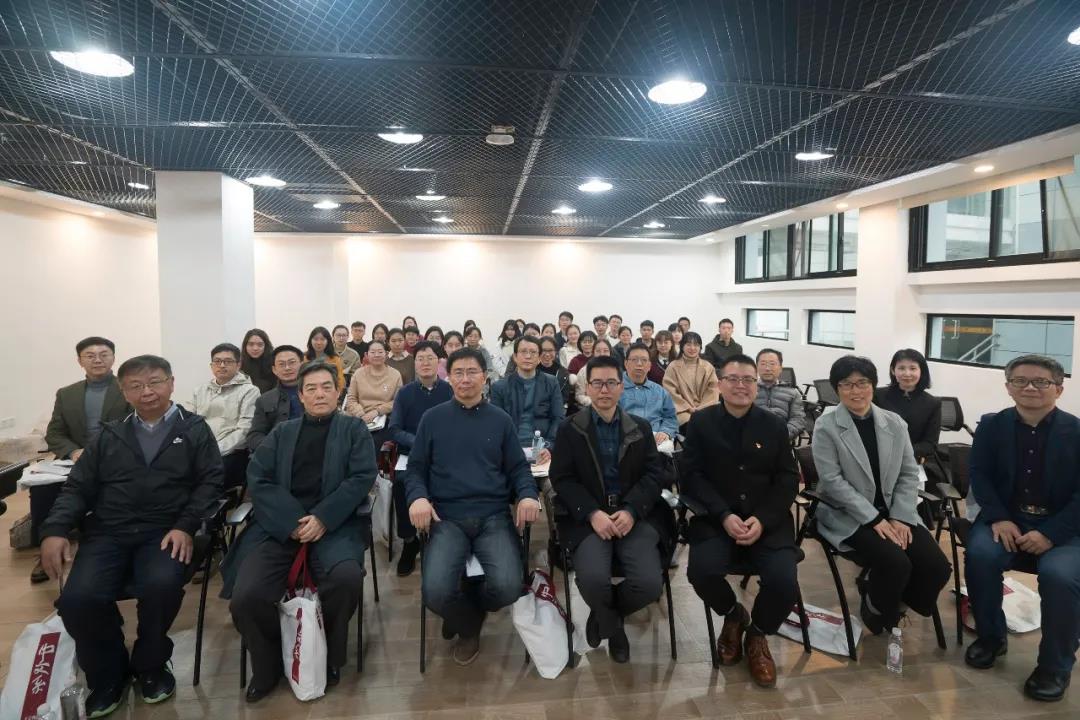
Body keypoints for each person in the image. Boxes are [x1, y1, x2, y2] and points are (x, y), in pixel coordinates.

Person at [40, 355, 223, 716]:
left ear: (171, 383)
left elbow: (210, 482)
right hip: (109, 531)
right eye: (136, 386)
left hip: (165, 530)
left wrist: (186, 525)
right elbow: (78, 487)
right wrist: (55, 529)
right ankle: (108, 673)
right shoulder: (110, 434)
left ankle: (151, 664)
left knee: (161, 586)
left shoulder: (194, 429)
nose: (147, 392)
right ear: (124, 392)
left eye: (155, 382)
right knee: (78, 600)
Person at [222, 362, 376, 703]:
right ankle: (268, 665)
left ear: (338, 392)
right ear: (301, 396)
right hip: (280, 527)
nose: (320, 394)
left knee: (345, 579)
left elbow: (361, 477)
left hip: (334, 525)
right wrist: (292, 521)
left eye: (326, 387)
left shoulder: (353, 430)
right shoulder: (283, 433)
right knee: (247, 595)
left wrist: (323, 517)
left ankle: (327, 655)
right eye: (311, 389)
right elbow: (258, 478)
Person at [405, 348, 541, 665]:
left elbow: (519, 469)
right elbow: (415, 469)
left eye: (472, 372)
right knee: (435, 593)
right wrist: (418, 497)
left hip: (493, 515)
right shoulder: (433, 419)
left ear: (485, 377)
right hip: (447, 517)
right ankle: (468, 624)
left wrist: (527, 495)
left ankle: (469, 607)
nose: (465, 379)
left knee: (508, 588)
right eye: (458, 372)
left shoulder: (500, 420)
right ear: (449, 378)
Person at [963, 355, 1080, 702]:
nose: (1029, 387)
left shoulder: (1076, 432)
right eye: (1020, 381)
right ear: (1008, 387)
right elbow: (980, 475)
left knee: (1060, 575)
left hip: (1064, 526)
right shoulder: (992, 426)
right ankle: (991, 638)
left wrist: (1051, 534)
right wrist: (999, 517)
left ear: (1058, 389)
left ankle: (1055, 666)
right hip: (1008, 519)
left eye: (1041, 381)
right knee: (980, 555)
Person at [683, 355, 800, 688]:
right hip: (716, 518)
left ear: (756, 385)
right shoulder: (701, 422)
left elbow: (788, 479)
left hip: (767, 521)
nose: (741, 386)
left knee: (784, 582)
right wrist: (723, 514)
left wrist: (762, 519)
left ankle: (758, 634)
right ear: (719, 384)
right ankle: (734, 615)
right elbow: (691, 477)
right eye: (733, 379)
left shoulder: (773, 425)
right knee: (702, 572)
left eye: (748, 379)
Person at [811, 355, 951, 636]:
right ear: (837, 389)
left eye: (862, 383)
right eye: (847, 384)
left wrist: (900, 516)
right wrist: (874, 519)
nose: (856, 391)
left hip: (894, 511)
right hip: (849, 514)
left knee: (937, 567)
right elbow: (832, 481)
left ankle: (892, 604)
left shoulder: (894, 422)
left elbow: (908, 474)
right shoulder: (826, 425)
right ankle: (876, 611)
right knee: (895, 562)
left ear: (873, 385)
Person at [549, 355, 669, 663]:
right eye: (598, 383)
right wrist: (592, 513)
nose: (605, 390)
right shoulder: (570, 428)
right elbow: (562, 478)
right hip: (589, 518)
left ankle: (606, 614)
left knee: (649, 584)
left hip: (633, 516)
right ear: (588, 387)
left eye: (611, 383)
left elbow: (653, 475)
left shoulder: (640, 427)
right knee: (591, 580)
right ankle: (614, 628)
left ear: (622, 387)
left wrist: (631, 510)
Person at [37, 336, 130, 583]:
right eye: (90, 355)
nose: (97, 360)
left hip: (116, 458)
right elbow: (54, 433)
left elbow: (135, 427)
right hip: (77, 459)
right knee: (42, 490)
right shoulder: (66, 394)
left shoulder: (128, 388)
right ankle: (47, 549)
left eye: (104, 354)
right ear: (80, 361)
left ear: (113, 358)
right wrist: (73, 452)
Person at [387, 341, 453, 576]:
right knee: (400, 484)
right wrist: (419, 442)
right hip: (412, 454)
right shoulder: (405, 393)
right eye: (420, 359)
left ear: (439, 362)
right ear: (414, 364)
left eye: (430, 358)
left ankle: (445, 535)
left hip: (444, 453)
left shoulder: (449, 390)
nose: (425, 363)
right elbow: (394, 429)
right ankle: (409, 541)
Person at [191, 343, 260, 491]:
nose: (222, 365)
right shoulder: (200, 390)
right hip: (202, 449)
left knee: (206, 478)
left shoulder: (249, 391)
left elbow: (245, 430)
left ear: (238, 365)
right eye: (217, 361)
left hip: (231, 452)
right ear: (211, 366)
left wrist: (215, 450)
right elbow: (189, 423)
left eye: (228, 361)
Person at [490, 336, 565, 462]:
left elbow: (558, 418)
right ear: (515, 357)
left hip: (542, 448)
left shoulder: (551, 382)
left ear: (539, 358)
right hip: (511, 449)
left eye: (533, 352)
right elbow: (496, 424)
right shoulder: (499, 387)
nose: (528, 356)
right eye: (523, 351)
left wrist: (549, 446)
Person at [873, 349, 941, 466]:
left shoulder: (932, 403)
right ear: (893, 370)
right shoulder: (877, 395)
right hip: (878, 457)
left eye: (913, 368)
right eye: (901, 368)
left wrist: (903, 453)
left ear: (921, 371)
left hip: (910, 459)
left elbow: (930, 443)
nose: (907, 373)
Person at [247, 345, 305, 452]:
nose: (287, 368)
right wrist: (275, 447)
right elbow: (254, 436)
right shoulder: (264, 400)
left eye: (292, 362)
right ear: (274, 370)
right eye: (281, 364)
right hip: (277, 451)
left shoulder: (316, 393)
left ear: (302, 365)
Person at [345, 341, 403, 445]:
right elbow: (351, 398)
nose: (377, 355)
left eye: (380, 352)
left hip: (383, 418)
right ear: (366, 355)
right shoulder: (358, 373)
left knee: (372, 441)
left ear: (386, 354)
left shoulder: (395, 375)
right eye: (373, 352)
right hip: (359, 417)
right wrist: (361, 414)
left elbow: (397, 401)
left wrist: (377, 411)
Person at [619, 344, 678, 444]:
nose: (639, 364)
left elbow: (670, 417)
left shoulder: (660, 392)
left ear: (650, 366)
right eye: (634, 359)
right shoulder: (614, 390)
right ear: (626, 363)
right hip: (625, 441)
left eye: (644, 360)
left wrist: (665, 432)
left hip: (656, 441)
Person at [662, 332, 719, 430]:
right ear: (682, 346)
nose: (692, 348)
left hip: (706, 409)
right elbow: (670, 392)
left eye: (696, 345)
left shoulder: (708, 367)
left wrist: (700, 409)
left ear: (700, 347)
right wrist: (688, 407)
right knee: (696, 427)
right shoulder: (673, 367)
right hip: (681, 411)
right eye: (688, 344)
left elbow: (712, 391)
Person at [753, 349, 806, 441]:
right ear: (756, 367)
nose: (767, 368)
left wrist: (783, 435)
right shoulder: (748, 389)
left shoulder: (793, 393)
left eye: (772, 364)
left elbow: (798, 419)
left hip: (781, 439)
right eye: (763, 364)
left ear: (781, 368)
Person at [538, 336, 571, 409]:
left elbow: (564, 397)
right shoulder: (531, 370)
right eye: (544, 350)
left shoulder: (563, 373)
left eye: (550, 350)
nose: (547, 354)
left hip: (556, 409)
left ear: (556, 351)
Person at [240, 329, 276, 394]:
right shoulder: (238, 365)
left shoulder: (274, 364)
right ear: (245, 346)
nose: (255, 348)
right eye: (251, 344)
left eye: (260, 345)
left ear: (266, 346)